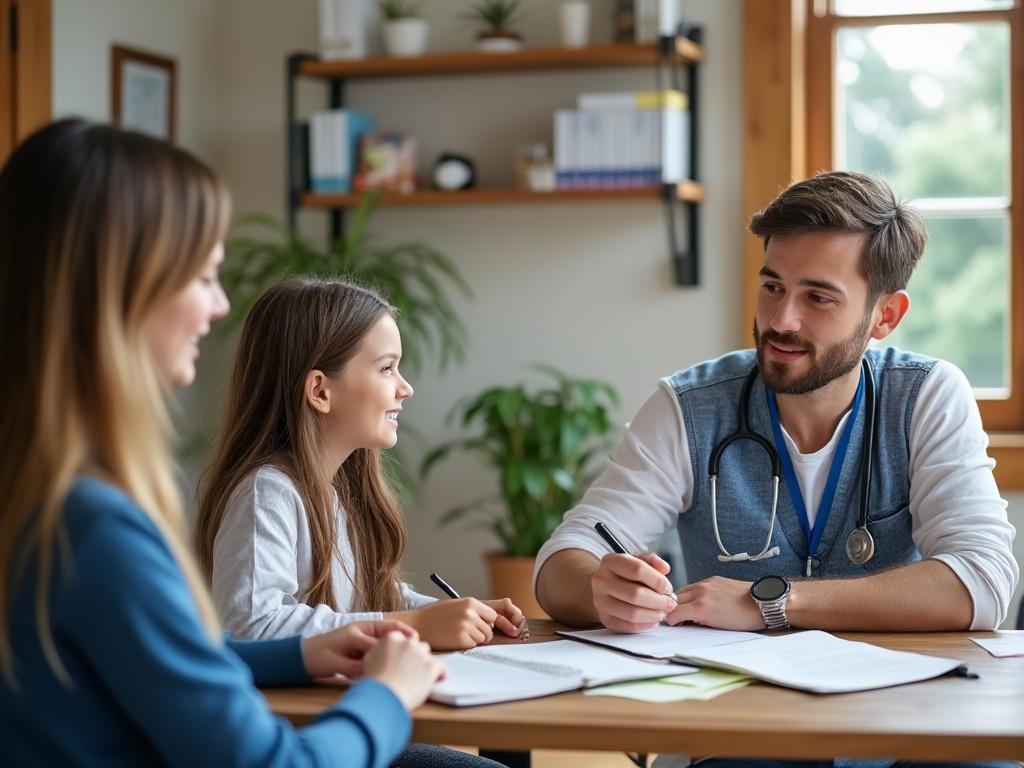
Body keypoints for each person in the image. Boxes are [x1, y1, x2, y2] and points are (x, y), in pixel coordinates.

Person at [0, 118, 446, 768]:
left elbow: (149, 654)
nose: (218, 306)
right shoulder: (96, 531)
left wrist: (301, 651)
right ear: (124, 288)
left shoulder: (36, 498)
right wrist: (385, 694)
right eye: (204, 277)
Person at [534, 171, 1018, 768]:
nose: (781, 321)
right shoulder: (690, 405)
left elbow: (983, 582)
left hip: (908, 714)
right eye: (772, 287)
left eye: (818, 297)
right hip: (745, 729)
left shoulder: (924, 396)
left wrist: (771, 601)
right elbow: (562, 561)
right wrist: (600, 590)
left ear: (885, 316)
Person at [193, 277, 526, 652]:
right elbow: (250, 625)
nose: (405, 387)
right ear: (320, 390)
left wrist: (457, 615)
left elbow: (368, 602)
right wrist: (415, 625)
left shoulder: (338, 494)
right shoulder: (267, 494)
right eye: (387, 368)